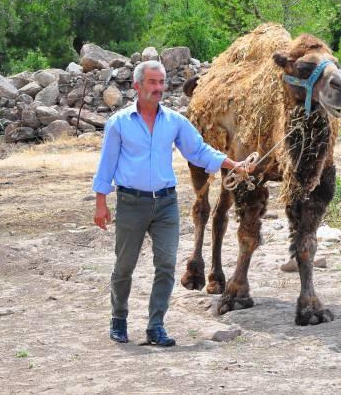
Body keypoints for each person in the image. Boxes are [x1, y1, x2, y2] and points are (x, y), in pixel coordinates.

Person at [92, 60, 247, 347]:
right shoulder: (119, 124)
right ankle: (118, 319)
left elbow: (198, 151)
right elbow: (106, 165)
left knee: (165, 265)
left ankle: (156, 326)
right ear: (137, 86)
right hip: (131, 202)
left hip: (166, 204)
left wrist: (232, 163)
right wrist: (101, 203)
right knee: (124, 266)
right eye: (152, 82)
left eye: (162, 83)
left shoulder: (174, 121)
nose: (158, 88)